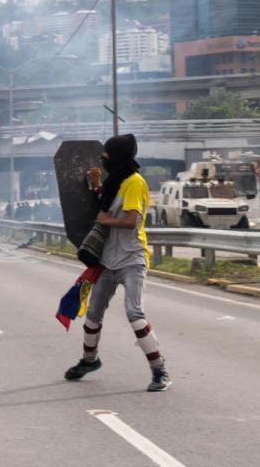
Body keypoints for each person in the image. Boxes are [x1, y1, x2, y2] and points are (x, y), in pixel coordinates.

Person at [64, 134, 171, 392]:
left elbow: (131, 220)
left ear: (118, 157)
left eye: (108, 155)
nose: (104, 159)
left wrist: (104, 221)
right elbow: (111, 206)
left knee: (135, 313)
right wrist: (98, 184)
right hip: (108, 259)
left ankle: (160, 371)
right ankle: (90, 360)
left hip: (131, 258)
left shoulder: (134, 183)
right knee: (92, 315)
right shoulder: (117, 181)